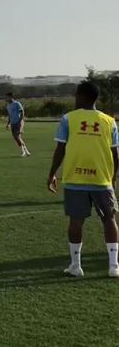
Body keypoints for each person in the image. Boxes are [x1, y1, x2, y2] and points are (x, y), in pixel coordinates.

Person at [47, 82, 119, 278]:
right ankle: (114, 266)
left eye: (77, 95)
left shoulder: (68, 119)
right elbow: (115, 153)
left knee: (76, 221)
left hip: (75, 178)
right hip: (102, 179)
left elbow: (60, 149)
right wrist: (112, 178)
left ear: (82, 96)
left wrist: (52, 173)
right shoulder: (109, 121)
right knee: (109, 219)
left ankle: (76, 266)